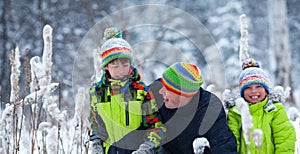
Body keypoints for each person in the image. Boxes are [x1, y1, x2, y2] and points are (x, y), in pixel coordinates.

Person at [89, 27, 165, 154]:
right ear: (106, 66)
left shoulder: (141, 92)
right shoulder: (98, 92)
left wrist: (147, 148)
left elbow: (155, 126)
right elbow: (95, 123)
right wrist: (96, 143)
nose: (121, 70)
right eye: (115, 66)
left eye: (125, 65)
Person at [149, 62, 238, 154]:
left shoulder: (210, 110)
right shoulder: (155, 93)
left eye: (167, 89)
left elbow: (223, 146)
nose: (161, 91)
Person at [227, 58, 296, 153]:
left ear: (266, 91)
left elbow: (285, 138)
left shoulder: (275, 110)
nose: (254, 91)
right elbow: (231, 142)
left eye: (258, 86)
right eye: (248, 88)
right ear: (242, 93)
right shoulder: (236, 112)